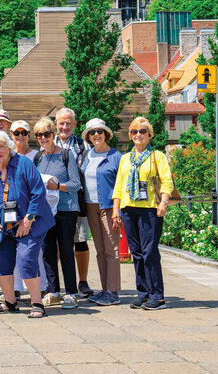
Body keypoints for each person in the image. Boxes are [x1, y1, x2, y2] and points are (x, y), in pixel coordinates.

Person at [0, 131, 54, 318]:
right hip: (5, 225)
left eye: (1, 147)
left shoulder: (24, 164)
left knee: (26, 259)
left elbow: (38, 192)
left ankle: (37, 303)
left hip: (32, 222)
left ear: (9, 148)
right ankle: (10, 302)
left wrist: (28, 219)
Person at [112, 116, 174, 310]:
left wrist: (163, 202)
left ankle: (158, 295)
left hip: (149, 210)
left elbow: (167, 181)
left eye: (142, 131)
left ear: (149, 135)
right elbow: (119, 186)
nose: (138, 135)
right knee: (136, 253)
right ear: (130, 135)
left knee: (150, 252)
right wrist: (116, 210)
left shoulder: (157, 156)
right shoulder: (125, 158)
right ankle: (143, 293)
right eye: (134, 131)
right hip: (129, 209)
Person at [32, 117, 81, 309]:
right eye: (39, 135)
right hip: (46, 211)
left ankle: (71, 293)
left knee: (67, 250)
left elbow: (76, 185)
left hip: (66, 209)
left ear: (53, 134)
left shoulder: (66, 155)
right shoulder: (38, 158)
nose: (43, 138)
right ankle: (53, 291)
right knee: (48, 251)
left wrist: (57, 186)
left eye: (46, 134)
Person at [80, 118, 123, 306]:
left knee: (112, 249)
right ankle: (104, 289)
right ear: (88, 137)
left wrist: (117, 210)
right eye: (91, 132)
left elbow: (121, 185)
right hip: (91, 206)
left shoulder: (116, 157)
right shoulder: (86, 155)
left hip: (108, 206)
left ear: (106, 134)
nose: (96, 135)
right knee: (99, 249)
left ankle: (112, 291)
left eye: (99, 131)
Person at [54, 107, 93, 298]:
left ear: (75, 124)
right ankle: (59, 283)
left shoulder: (83, 145)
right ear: (56, 124)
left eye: (68, 123)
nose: (65, 126)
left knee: (80, 241)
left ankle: (83, 282)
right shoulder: (48, 143)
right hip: (54, 203)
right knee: (58, 245)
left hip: (77, 201)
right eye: (61, 123)